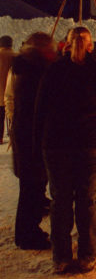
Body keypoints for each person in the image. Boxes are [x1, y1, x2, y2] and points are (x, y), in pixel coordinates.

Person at [35, 27, 96, 273]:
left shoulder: (53, 71)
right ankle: (87, 254)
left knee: (60, 200)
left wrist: (36, 143)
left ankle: (60, 256)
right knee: (88, 199)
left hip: (57, 143)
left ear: (66, 44)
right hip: (92, 142)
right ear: (91, 46)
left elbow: (40, 110)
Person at [11, 33, 57, 250]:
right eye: (50, 49)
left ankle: (28, 231)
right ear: (41, 51)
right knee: (32, 189)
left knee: (32, 188)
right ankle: (27, 234)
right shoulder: (34, 74)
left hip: (28, 139)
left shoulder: (27, 69)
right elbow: (39, 110)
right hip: (32, 141)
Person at [0, 35, 15, 144]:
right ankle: (12, 134)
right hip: (12, 92)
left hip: (0, 92)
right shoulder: (17, 56)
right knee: (12, 116)